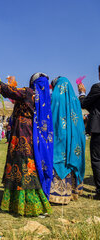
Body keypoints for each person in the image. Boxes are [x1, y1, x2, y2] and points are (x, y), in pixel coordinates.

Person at [0, 71, 52, 216]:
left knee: (21, 162)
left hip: (22, 132)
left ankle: (29, 203)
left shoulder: (28, 92)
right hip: (33, 133)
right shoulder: (45, 98)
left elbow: (10, 92)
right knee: (28, 163)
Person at [49, 76, 85, 204]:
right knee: (69, 158)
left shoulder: (54, 97)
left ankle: (56, 193)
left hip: (59, 135)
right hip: (73, 139)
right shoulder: (75, 99)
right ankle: (73, 192)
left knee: (58, 159)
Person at [78, 65, 100, 199]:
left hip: (98, 130)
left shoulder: (97, 87)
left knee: (97, 159)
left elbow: (84, 104)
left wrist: (82, 93)